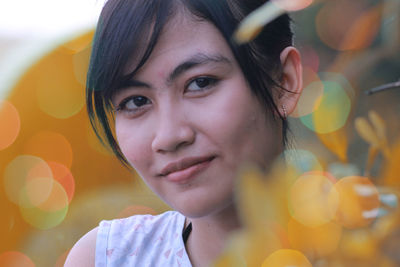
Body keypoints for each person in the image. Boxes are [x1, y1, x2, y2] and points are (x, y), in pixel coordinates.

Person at [65, 0, 303, 266]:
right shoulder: (106, 259)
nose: (169, 137)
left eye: (200, 83)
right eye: (136, 102)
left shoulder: (351, 248)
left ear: (284, 82)